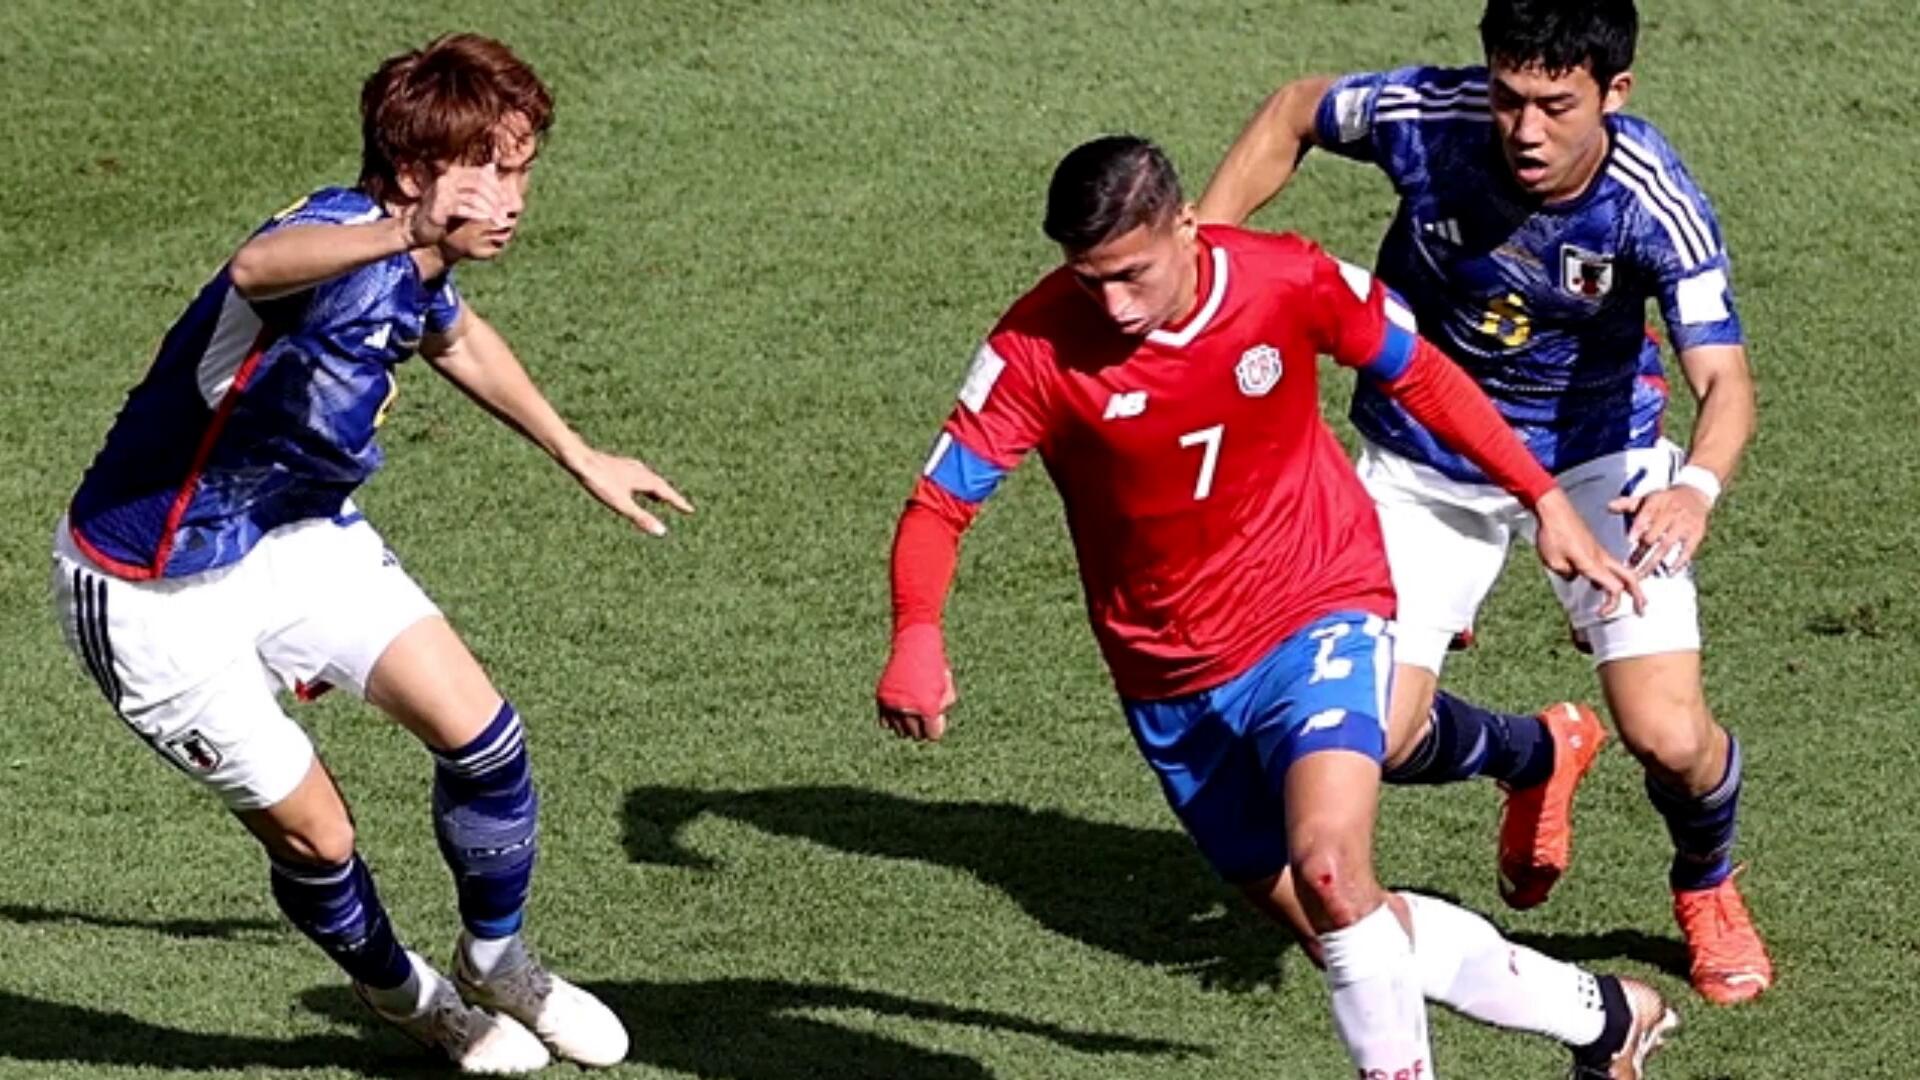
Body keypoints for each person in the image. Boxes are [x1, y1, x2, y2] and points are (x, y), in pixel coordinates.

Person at [877, 134, 1672, 1078]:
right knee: (1345, 927)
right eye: (1091, 281)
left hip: (1315, 603)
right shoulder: (1035, 348)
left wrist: (1542, 497)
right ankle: (1605, 1016)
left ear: (1186, 225)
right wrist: (917, 632)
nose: (1114, 305)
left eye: (1131, 274)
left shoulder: (1285, 279)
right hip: (1169, 679)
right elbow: (939, 507)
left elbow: (1418, 372)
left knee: (1330, 866)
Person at [50, 33, 689, 1073]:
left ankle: (497, 962)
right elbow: (255, 267)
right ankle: (410, 998)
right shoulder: (334, 241)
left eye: (519, 169)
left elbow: (452, 335)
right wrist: (402, 230)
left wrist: (580, 455)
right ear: (409, 172)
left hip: (292, 532)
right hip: (149, 588)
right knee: (321, 839)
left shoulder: (419, 264)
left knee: (486, 740)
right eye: (483, 171)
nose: (509, 199)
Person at [1196, 0, 1769, 1006]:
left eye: (1556, 105)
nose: (1525, 130)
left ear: (1615, 93)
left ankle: (1706, 879)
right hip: (1428, 455)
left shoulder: (1653, 198)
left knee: (1671, 737)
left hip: (1598, 462)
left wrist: (1695, 487)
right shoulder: (1427, 117)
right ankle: (1535, 752)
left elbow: (1725, 379)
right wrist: (1206, 258)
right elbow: (1294, 110)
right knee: (1367, 736)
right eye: (1509, 98)